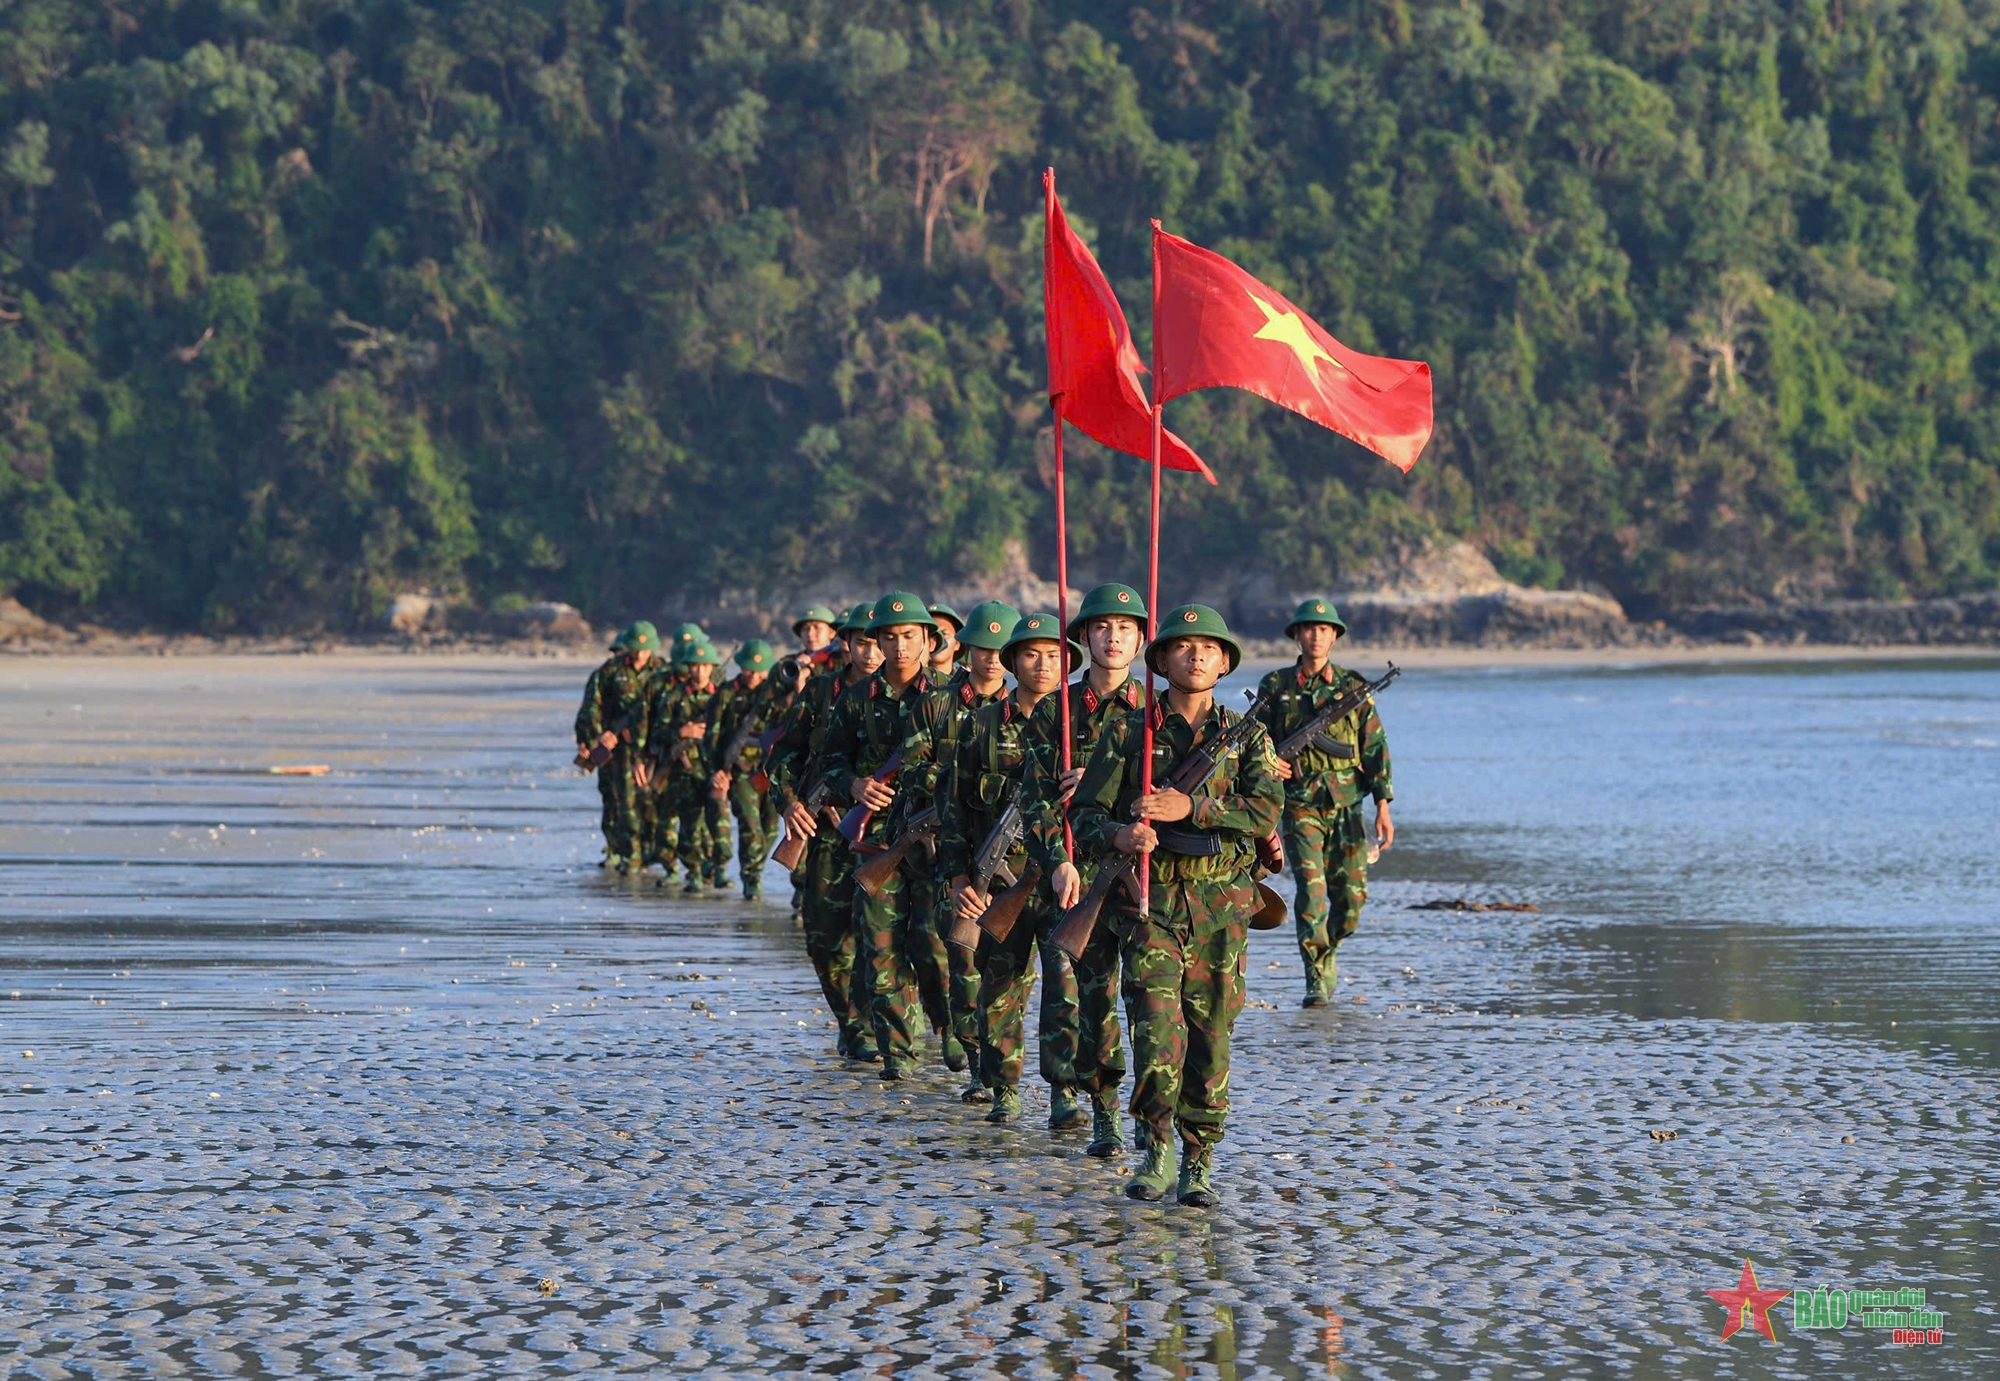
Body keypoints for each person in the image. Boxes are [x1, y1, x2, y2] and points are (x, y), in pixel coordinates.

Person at [1055, 604, 1284, 1207]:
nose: (1197, 655)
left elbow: (1264, 813)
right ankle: (1154, 1147)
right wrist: (1121, 835)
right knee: (1155, 1030)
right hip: (1151, 905)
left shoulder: (1248, 737)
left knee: (1211, 1038)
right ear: (1160, 660)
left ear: (1226, 661)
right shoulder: (1132, 732)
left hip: (1222, 910)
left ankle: (1199, 1159)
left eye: (1210, 647)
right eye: (1183, 647)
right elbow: (1085, 813)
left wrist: (1195, 809)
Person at [1019, 582, 1150, 1149]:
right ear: (1083, 638)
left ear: (1143, 641)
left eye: (1125, 628)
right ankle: (1100, 1107)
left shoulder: (1155, 709)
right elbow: (1033, 798)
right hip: (1078, 868)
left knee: (1150, 1002)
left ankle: (1157, 1120)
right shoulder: (1059, 710)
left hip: (1141, 874)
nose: (1113, 637)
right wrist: (1056, 859)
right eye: (1102, 627)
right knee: (1087, 996)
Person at [939, 613, 1078, 1124]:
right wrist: (958, 879)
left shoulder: (1079, 726)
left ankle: (1065, 1091)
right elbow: (953, 808)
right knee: (1001, 984)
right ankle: (1003, 1087)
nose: (1043, 666)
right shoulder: (981, 726)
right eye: (1032, 655)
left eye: (1054, 655)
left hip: (1062, 875)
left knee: (1065, 987)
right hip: (1001, 879)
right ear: (1014, 661)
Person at [818, 592, 945, 1081]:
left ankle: (946, 1023)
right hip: (877, 843)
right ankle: (897, 1057)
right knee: (880, 949)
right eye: (888, 638)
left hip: (934, 843)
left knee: (934, 949)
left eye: (908, 636)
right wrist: (854, 785)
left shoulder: (947, 698)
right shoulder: (856, 700)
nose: (897, 647)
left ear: (928, 641)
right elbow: (830, 762)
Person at [897, 599, 1018, 1091]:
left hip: (1013, 851)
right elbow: (910, 769)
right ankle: (967, 1048)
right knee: (949, 952)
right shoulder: (936, 704)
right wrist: (962, 781)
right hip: (947, 839)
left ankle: (1004, 1071)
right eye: (982, 649)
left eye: (1000, 649)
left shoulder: (1035, 708)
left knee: (1009, 967)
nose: (991, 659)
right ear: (965, 650)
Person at [1253, 599, 1394, 1007]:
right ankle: (1316, 975)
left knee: (1351, 902)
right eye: (1308, 628)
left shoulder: (1353, 688)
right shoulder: (1276, 686)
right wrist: (1270, 761)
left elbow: (1375, 747)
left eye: (1324, 629)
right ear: (1297, 635)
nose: (1316, 635)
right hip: (1299, 806)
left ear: (1335, 636)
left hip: (1348, 806)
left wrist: (1383, 805)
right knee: (1312, 895)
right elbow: (1254, 741)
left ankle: (1328, 948)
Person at [767, 603, 881, 1059]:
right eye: (862, 642)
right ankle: (851, 1023)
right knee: (824, 937)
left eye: (881, 641)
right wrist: (789, 803)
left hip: (883, 835)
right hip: (825, 832)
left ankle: (881, 1022)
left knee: (883, 936)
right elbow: (782, 755)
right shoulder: (819, 692)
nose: (872, 651)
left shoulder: (917, 695)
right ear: (846, 644)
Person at [573, 621, 659, 873]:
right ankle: (623, 852)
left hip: (649, 746)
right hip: (617, 749)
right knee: (618, 799)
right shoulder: (609, 671)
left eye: (645, 650)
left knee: (649, 801)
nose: (640, 655)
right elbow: (590, 709)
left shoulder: (662, 671)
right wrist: (595, 739)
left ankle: (645, 852)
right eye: (635, 649)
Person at [645, 638, 725, 892]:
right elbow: (657, 733)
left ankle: (718, 867)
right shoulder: (674, 697)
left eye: (704, 666)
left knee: (716, 821)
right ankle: (693, 871)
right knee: (689, 823)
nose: (699, 671)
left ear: (712, 668)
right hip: (684, 769)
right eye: (694, 666)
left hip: (714, 767)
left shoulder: (722, 697)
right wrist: (682, 731)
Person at [707, 639, 782, 900]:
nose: (753, 675)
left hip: (771, 772)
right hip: (739, 772)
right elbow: (712, 736)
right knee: (751, 826)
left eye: (759, 671)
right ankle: (751, 879)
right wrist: (718, 769)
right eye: (749, 670)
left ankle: (756, 867)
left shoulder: (776, 695)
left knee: (771, 829)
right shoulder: (726, 693)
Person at [927, 602, 963, 679]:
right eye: (931, 634)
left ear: (957, 643)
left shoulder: (966, 682)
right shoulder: (905, 681)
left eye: (944, 634)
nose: (937, 639)